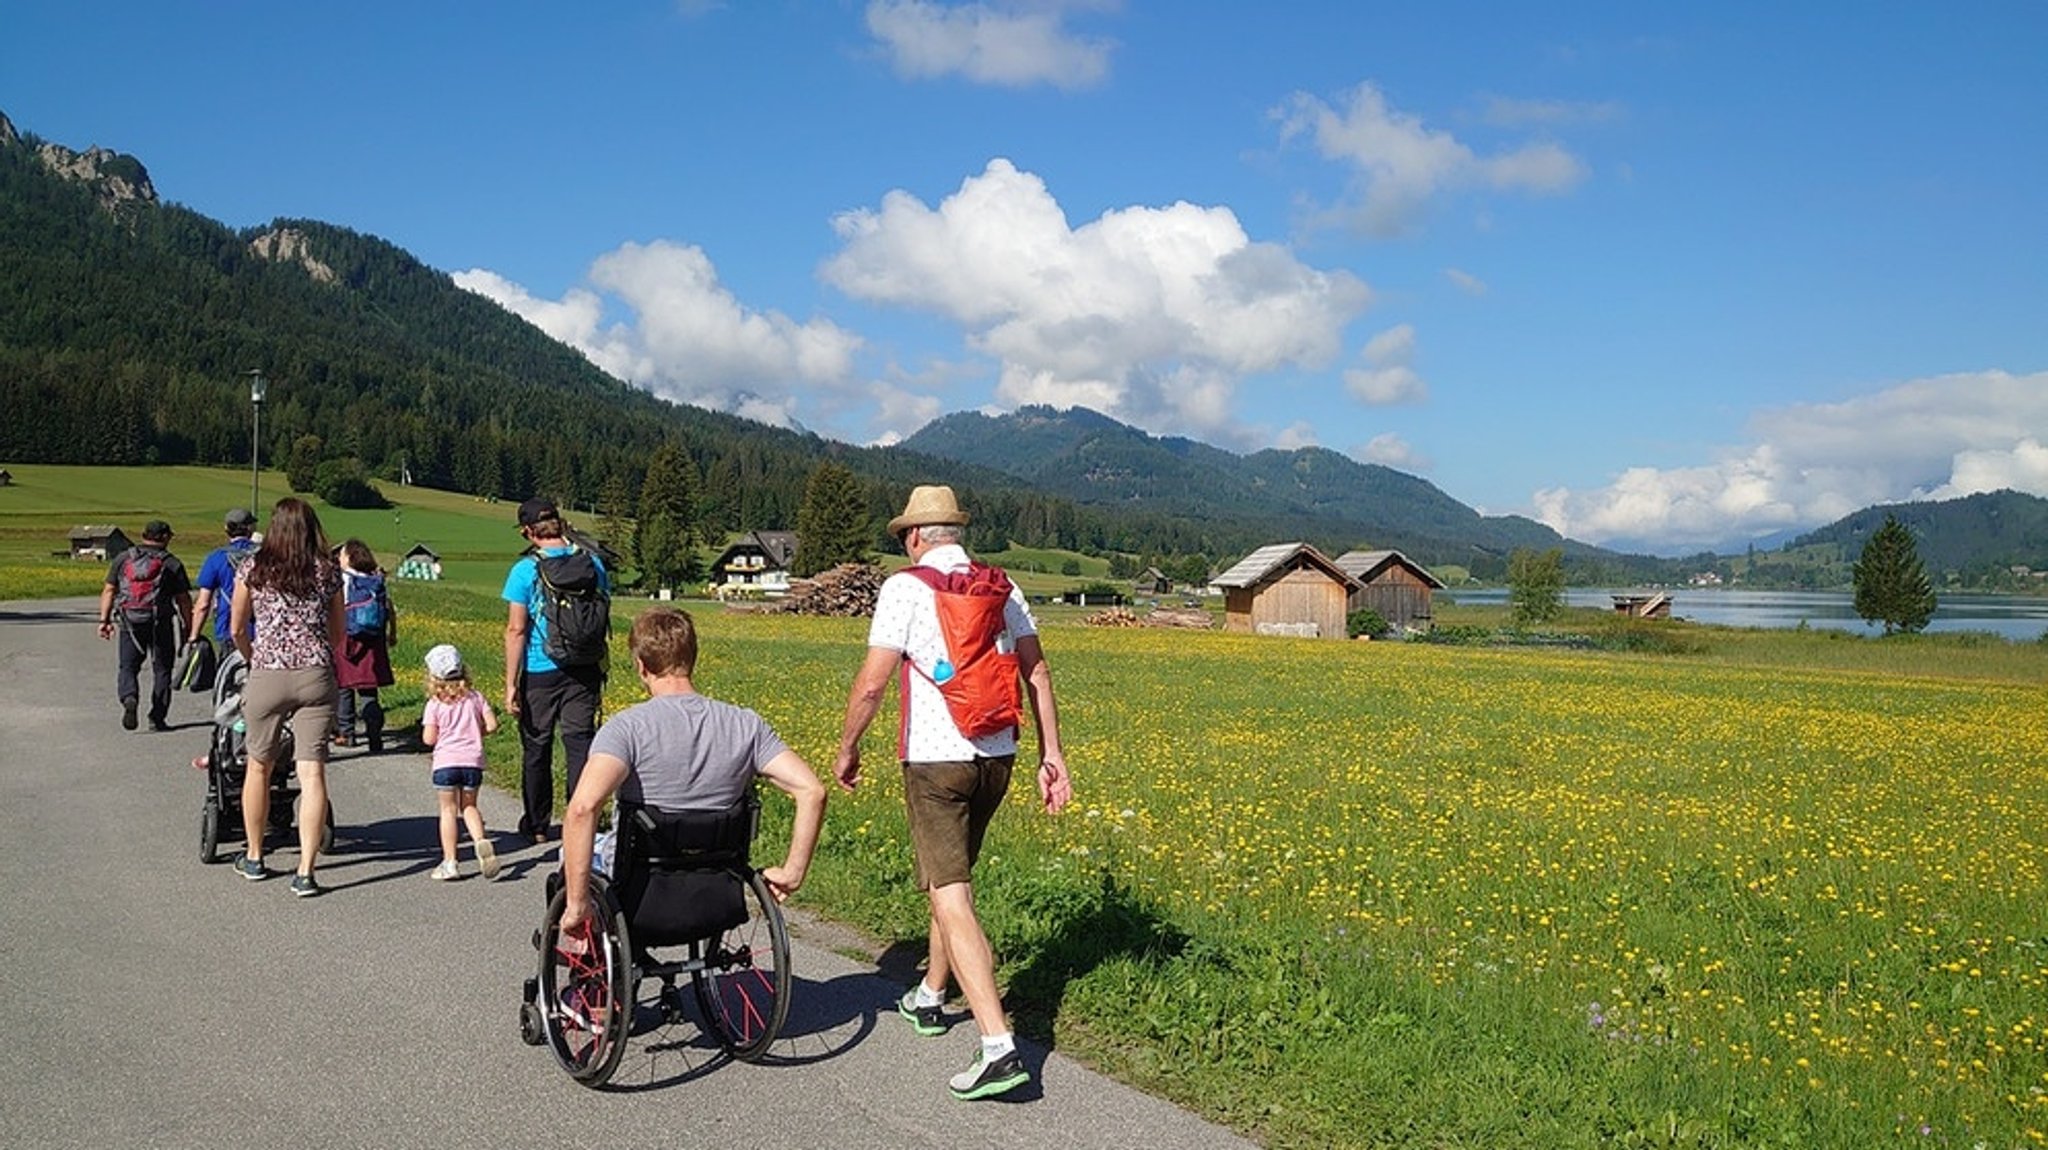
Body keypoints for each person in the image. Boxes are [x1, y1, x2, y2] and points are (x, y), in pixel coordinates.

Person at [833, 485, 1072, 1102]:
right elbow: (1038, 674)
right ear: (956, 534)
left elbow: (871, 685)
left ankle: (998, 1046)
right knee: (954, 878)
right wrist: (1054, 755)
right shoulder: (1003, 586)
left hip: (936, 760)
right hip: (998, 754)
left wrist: (848, 746)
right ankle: (932, 996)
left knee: (951, 891)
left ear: (915, 536)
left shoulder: (905, 588)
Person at [559, 608, 826, 935]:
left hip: (639, 890)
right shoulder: (746, 725)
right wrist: (792, 872)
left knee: (567, 855)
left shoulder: (626, 729)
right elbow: (813, 790)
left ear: (641, 666)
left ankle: (582, 959)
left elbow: (583, 808)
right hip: (717, 888)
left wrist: (577, 903)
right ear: (692, 659)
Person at [228, 497, 343, 898]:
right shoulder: (327, 572)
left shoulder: (252, 569)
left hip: (268, 673)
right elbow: (339, 633)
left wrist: (254, 658)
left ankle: (256, 856)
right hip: (315, 674)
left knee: (258, 766)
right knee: (312, 772)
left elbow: (237, 627)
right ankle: (306, 871)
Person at [502, 497, 609, 847]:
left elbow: (516, 629)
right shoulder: (592, 563)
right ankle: (581, 820)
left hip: (540, 669)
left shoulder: (525, 570)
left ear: (528, 532)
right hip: (585, 669)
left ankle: (536, 824)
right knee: (580, 745)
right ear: (559, 524)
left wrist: (510, 684)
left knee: (537, 746)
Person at [97, 519, 194, 733]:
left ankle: (129, 697)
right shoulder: (171, 563)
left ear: (144, 535)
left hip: (130, 621)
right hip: (160, 622)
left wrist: (104, 621)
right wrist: (189, 628)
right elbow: (184, 599)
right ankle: (157, 718)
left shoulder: (124, 558)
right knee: (162, 670)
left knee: (128, 667)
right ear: (165, 537)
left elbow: (109, 590)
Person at [420, 643, 501, 881]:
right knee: (469, 807)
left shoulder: (435, 703)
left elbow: (429, 738)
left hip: (445, 763)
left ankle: (450, 861)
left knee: (448, 811)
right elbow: (493, 724)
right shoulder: (475, 698)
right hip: (472, 762)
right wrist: (477, 733)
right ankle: (480, 840)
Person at [333, 539, 396, 752]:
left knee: (344, 686)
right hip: (373, 640)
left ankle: (347, 733)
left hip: (348, 638)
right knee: (369, 690)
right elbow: (387, 608)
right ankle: (374, 735)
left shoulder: (343, 579)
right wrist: (391, 633)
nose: (338, 559)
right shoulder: (376, 579)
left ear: (349, 557)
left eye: (341, 555)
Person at [189, 507, 260, 650]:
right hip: (260, 628)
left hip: (228, 626)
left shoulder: (216, 558)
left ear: (227, 529)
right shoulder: (265, 555)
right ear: (250, 529)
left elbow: (203, 604)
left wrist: (194, 635)